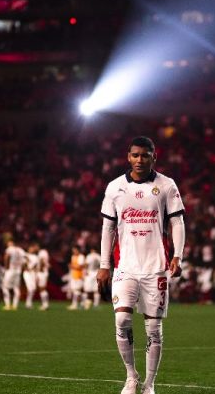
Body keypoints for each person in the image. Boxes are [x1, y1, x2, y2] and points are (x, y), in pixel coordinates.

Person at [96, 136, 186, 394]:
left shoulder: (166, 185)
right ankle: (131, 376)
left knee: (154, 329)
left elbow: (177, 222)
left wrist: (177, 255)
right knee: (122, 319)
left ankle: (149, 384)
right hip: (125, 268)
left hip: (156, 268)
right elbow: (108, 227)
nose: (139, 159)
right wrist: (104, 265)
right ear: (128, 157)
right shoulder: (114, 188)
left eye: (145, 155)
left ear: (153, 157)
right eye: (135, 155)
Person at [2, 240, 25, 310]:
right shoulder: (21, 250)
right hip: (18, 271)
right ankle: (15, 305)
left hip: (11, 270)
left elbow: (6, 257)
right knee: (16, 288)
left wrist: (6, 267)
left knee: (4, 287)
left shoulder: (10, 249)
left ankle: (7, 305)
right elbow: (24, 260)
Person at [67, 246, 85, 310]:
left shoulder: (81, 257)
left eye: (75, 250)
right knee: (75, 290)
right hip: (73, 275)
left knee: (76, 290)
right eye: (73, 250)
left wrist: (71, 266)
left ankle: (74, 304)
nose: (74, 251)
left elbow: (80, 267)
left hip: (79, 276)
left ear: (78, 250)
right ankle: (84, 302)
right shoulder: (73, 256)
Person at [22, 244, 39, 309]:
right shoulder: (25, 255)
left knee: (33, 288)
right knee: (30, 288)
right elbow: (24, 264)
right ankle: (28, 304)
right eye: (30, 248)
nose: (31, 250)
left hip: (33, 274)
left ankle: (28, 302)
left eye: (32, 249)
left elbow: (36, 266)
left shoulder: (36, 257)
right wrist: (26, 267)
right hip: (27, 273)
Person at [37, 246, 50, 310]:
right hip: (45, 272)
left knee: (42, 288)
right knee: (43, 288)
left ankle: (45, 304)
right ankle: (45, 303)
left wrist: (40, 269)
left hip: (42, 272)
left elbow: (42, 261)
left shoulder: (42, 252)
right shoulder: (46, 252)